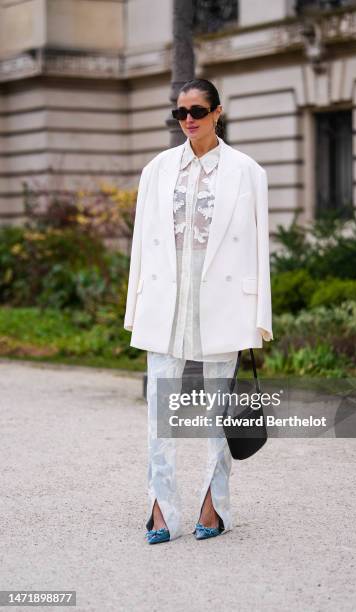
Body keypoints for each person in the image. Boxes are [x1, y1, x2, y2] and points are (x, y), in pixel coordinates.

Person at [124, 78, 273, 544]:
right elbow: (140, 248)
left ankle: (215, 503)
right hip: (166, 301)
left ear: (217, 112)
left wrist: (259, 317)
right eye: (180, 112)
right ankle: (160, 504)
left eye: (197, 110)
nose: (188, 119)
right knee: (159, 409)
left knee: (217, 412)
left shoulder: (248, 171)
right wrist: (135, 306)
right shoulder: (157, 170)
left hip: (223, 304)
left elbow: (257, 247)